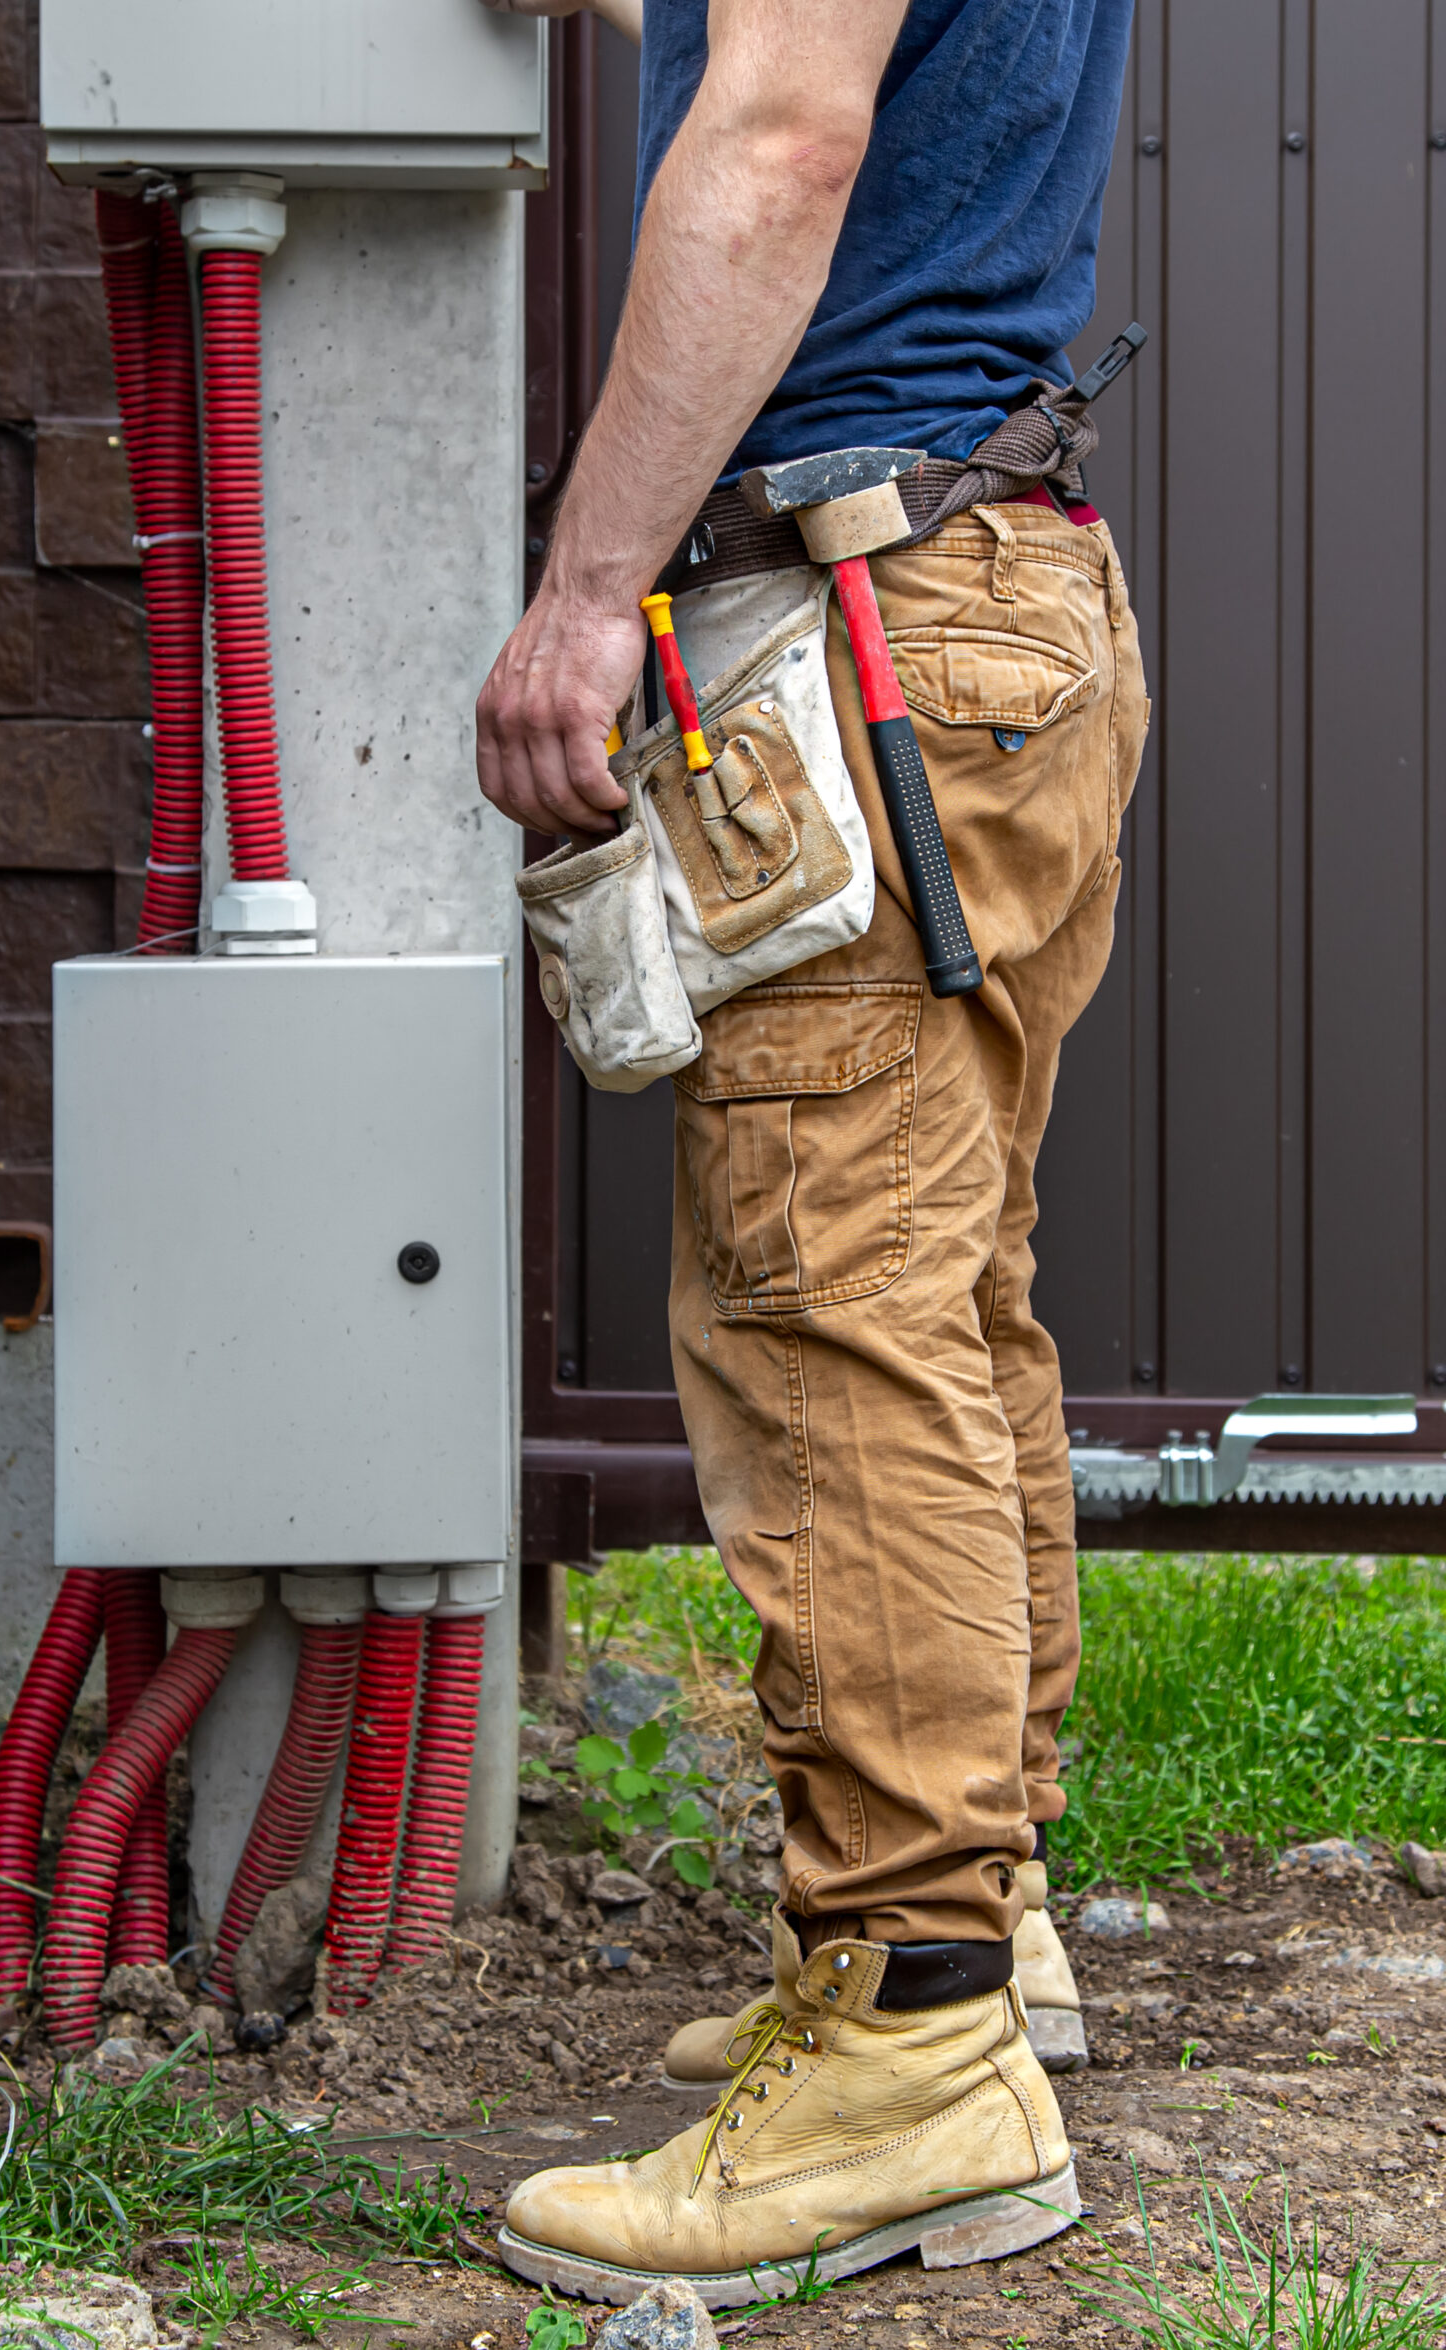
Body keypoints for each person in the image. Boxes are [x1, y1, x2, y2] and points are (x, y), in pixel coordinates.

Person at [473, 0, 1143, 2305]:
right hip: (998, 582)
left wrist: (581, 598)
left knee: (824, 1299)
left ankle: (910, 2040)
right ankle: (987, 1936)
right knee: (941, 1289)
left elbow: (775, 133)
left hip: (862, 600)